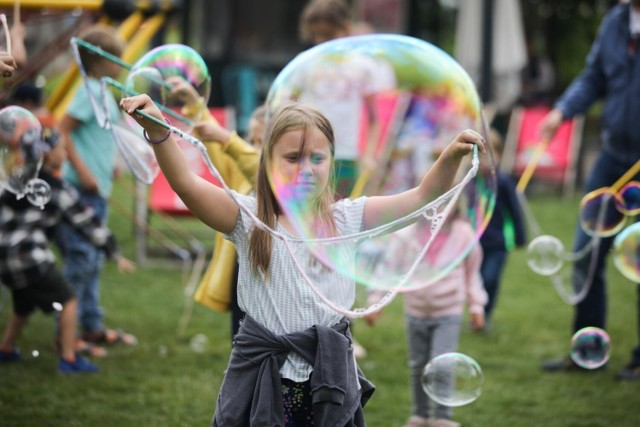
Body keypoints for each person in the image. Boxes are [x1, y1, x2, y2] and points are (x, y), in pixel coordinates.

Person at [120, 93, 485, 425]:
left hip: (327, 380)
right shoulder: (249, 219)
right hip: (265, 379)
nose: (306, 169)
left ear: (331, 161)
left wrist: (451, 155)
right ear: (268, 161)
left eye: (317, 158)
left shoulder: (348, 220)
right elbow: (185, 184)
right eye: (293, 157)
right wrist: (160, 132)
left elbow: (423, 196)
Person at [539, 0, 640, 380]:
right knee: (586, 251)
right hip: (612, 156)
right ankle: (588, 347)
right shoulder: (616, 20)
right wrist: (562, 110)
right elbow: (594, 77)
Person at [0, 125, 131, 373]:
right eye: (61, 148)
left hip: (4, 256)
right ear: (47, 155)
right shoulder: (58, 190)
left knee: (23, 304)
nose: (66, 153)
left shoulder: (16, 180)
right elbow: (87, 224)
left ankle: (6, 349)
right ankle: (69, 358)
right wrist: (113, 251)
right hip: (29, 256)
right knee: (68, 300)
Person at [55, 24, 137, 349]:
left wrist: (112, 163)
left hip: (97, 193)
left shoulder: (103, 92)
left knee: (92, 262)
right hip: (80, 191)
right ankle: (67, 337)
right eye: (116, 58)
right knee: (80, 262)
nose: (121, 63)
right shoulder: (85, 92)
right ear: (98, 60)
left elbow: (102, 134)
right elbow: (62, 131)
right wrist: (83, 170)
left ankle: (90, 327)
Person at [365, 209, 486, 427]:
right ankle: (420, 415)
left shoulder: (463, 234)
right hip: (416, 310)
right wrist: (377, 299)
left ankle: (442, 418)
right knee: (418, 365)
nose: (440, 208)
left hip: (449, 311)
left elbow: (472, 272)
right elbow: (389, 269)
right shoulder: (407, 236)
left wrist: (476, 305)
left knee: (443, 364)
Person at [297, 0, 395, 199]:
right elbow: (288, 104)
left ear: (345, 29)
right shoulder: (306, 64)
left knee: (340, 214)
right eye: (316, 34)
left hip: (346, 155)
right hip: (309, 149)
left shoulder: (362, 67)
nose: (321, 40)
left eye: (328, 34)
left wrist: (368, 155)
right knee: (310, 213)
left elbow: (374, 119)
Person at [479, 129, 526, 328]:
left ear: (498, 155)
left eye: (490, 154)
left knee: (490, 279)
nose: (485, 161)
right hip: (475, 243)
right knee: (478, 280)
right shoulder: (470, 182)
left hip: (499, 242)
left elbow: (515, 211)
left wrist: (520, 237)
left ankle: (486, 315)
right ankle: (478, 314)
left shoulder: (504, 182)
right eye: (480, 156)